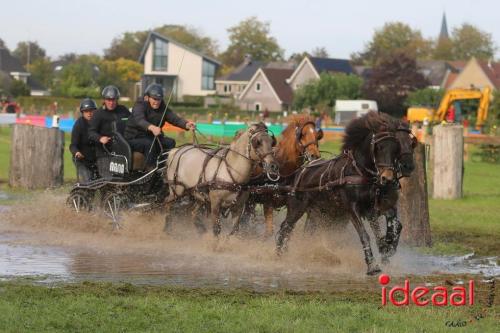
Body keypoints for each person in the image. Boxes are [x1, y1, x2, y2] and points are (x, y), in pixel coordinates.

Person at [124, 83, 195, 168]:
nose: (157, 102)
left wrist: (186, 124)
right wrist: (152, 127)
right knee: (149, 144)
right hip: (134, 138)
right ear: (147, 97)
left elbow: (175, 119)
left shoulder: (162, 107)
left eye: (159, 99)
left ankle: (164, 167)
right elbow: (140, 120)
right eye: (154, 99)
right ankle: (150, 170)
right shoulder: (140, 105)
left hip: (150, 138)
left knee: (170, 142)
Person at [88, 85, 131, 156]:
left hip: (123, 148)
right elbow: (91, 132)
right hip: (104, 151)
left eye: (113, 100)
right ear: (104, 100)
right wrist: (100, 138)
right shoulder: (98, 113)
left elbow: (132, 124)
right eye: (108, 100)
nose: (111, 103)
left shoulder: (123, 110)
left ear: (117, 100)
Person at [70, 98, 97, 183]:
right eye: (86, 111)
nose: (89, 113)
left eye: (91, 110)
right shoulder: (79, 125)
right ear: (82, 112)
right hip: (82, 160)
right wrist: (77, 152)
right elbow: (73, 145)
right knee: (88, 183)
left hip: (96, 160)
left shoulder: (99, 123)